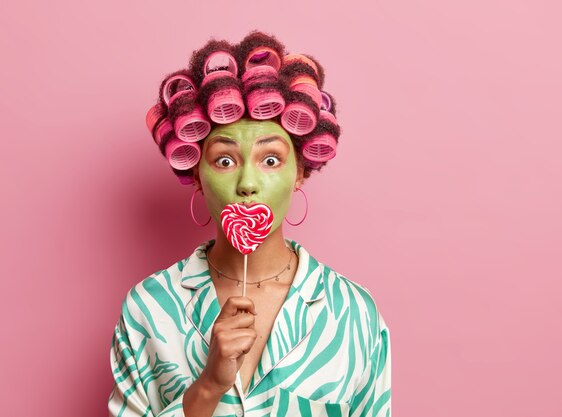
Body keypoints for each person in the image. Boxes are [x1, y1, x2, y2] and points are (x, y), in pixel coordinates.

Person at [108, 31, 391, 417]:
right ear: (196, 175)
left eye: (270, 159)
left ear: (300, 172)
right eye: (224, 160)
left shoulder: (352, 312)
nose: (247, 184)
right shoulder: (149, 309)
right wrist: (208, 387)